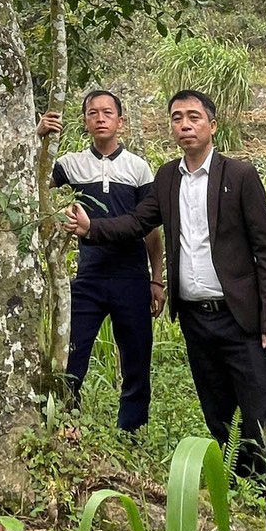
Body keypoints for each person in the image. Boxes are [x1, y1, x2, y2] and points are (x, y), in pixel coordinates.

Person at [68, 89, 266, 478]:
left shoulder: (240, 175)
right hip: (194, 315)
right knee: (216, 406)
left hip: (239, 314)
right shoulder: (167, 176)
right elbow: (138, 222)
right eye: (176, 118)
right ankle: (236, 483)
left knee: (257, 405)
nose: (185, 125)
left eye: (193, 117)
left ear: (212, 125)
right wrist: (91, 227)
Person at [38, 88, 164, 432]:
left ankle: (132, 431)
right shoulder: (71, 164)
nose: (100, 118)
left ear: (120, 121)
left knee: (136, 359)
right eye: (93, 113)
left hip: (132, 276)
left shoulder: (138, 168)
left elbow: (150, 228)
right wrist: (39, 138)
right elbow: (33, 182)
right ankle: (66, 424)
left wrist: (157, 278)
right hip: (88, 277)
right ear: (84, 122)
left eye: (108, 112)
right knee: (72, 357)